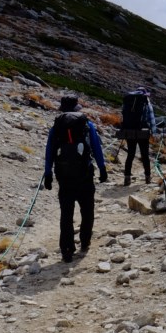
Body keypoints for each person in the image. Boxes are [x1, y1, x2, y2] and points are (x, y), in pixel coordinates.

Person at [43, 95, 107, 262]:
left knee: (66, 213)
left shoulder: (56, 127)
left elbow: (49, 151)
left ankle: (67, 249)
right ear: (77, 108)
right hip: (84, 175)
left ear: (62, 109)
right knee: (87, 210)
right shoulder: (88, 125)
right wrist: (102, 168)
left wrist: (48, 174)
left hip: (64, 176)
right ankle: (85, 241)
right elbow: (96, 148)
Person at [120, 87, 156, 186]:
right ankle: (147, 177)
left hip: (129, 131)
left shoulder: (128, 100)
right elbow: (151, 118)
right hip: (142, 131)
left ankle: (127, 178)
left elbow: (123, 115)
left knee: (130, 154)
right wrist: (154, 132)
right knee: (145, 155)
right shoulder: (145, 101)